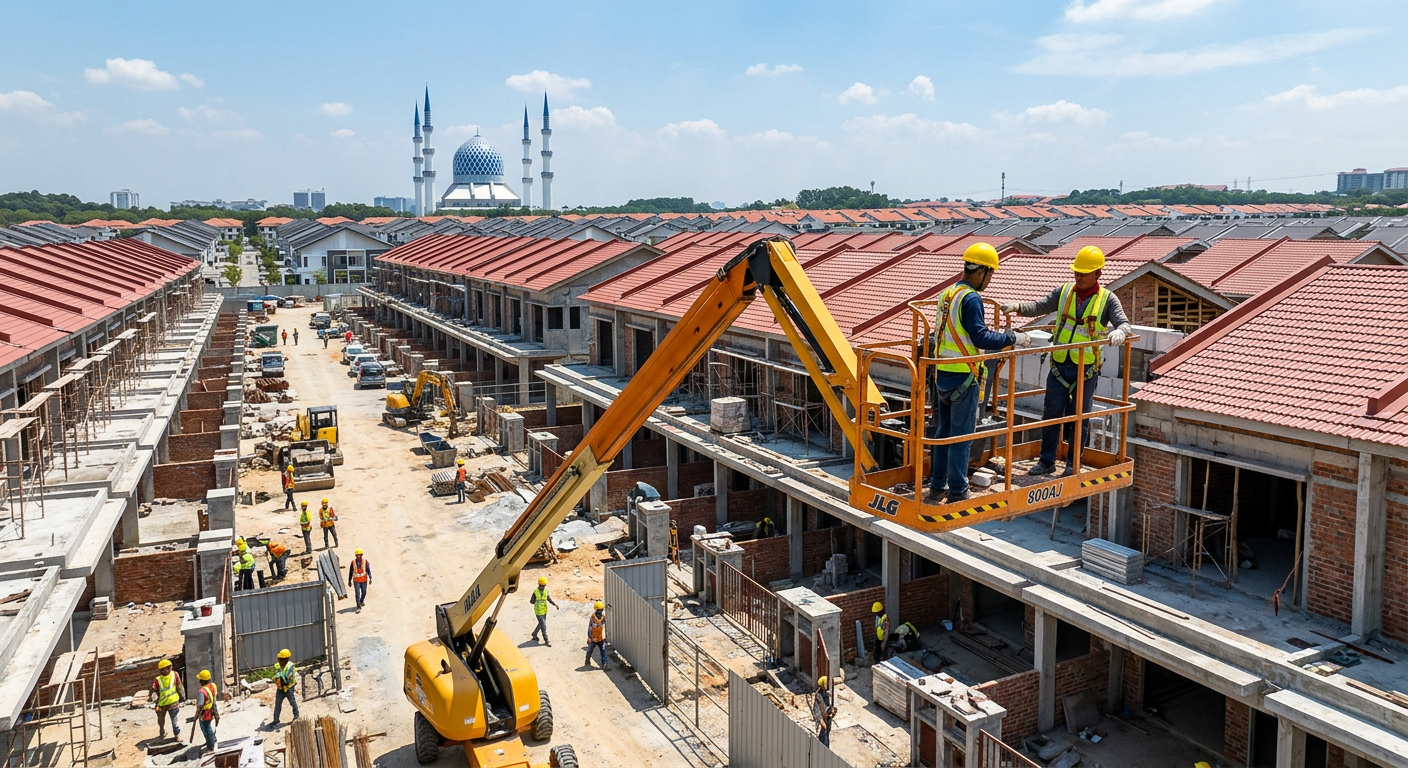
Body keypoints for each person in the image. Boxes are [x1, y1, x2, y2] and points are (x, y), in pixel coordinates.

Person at [1001, 245, 1132, 477]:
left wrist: (1120, 332)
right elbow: (1040, 306)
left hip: (1086, 370)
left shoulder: (1107, 300)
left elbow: (1123, 323)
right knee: (1051, 413)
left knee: (1079, 417)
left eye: (1083, 273)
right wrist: (1018, 308)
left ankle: (1073, 464)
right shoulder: (1064, 293)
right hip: (1060, 366)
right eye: (1076, 273)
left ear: (1097, 274)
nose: (1078, 277)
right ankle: (1047, 461)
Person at [926, 242, 1027, 504]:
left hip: (943, 376)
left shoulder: (947, 294)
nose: (990, 280)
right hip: (964, 376)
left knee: (942, 433)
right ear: (981, 271)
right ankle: (958, 491)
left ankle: (937, 487)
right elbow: (980, 337)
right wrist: (1011, 336)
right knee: (962, 437)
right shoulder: (971, 298)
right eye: (990, 274)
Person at [152, 658, 182, 740]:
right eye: (165, 669)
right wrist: (155, 699)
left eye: (169, 668)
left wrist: (183, 697)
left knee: (174, 721)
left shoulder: (175, 675)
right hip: (162, 704)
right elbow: (154, 691)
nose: (167, 670)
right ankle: (162, 731)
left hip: (173, 703)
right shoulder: (158, 680)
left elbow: (179, 687)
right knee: (161, 721)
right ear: (161, 670)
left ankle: (177, 735)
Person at [270, 649, 299, 726]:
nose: (279, 661)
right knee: (278, 704)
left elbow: (288, 679)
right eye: (279, 659)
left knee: (292, 702)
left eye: (280, 660)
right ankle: (276, 720)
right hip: (281, 689)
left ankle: (296, 716)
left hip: (288, 688)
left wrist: (283, 681)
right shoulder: (278, 666)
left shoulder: (290, 667)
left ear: (285, 660)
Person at [529, 576, 558, 646]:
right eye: (541, 586)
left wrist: (555, 604)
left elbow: (549, 599)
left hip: (544, 610)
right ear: (539, 585)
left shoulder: (546, 591)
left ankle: (534, 633)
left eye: (543, 586)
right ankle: (546, 641)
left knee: (541, 624)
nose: (542, 587)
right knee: (543, 626)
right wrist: (536, 600)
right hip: (538, 611)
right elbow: (531, 601)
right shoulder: (535, 592)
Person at [196, 668, 220, 753]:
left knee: (206, 729)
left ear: (201, 681)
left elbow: (199, 706)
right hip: (212, 710)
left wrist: (196, 715)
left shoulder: (201, 692)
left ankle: (210, 746)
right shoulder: (213, 685)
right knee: (209, 726)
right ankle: (213, 739)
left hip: (205, 713)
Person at [812, 676, 834, 747]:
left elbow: (828, 706)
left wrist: (832, 712)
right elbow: (816, 709)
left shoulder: (826, 694)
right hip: (823, 721)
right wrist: (821, 721)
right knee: (824, 740)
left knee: (826, 734)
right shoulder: (818, 696)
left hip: (827, 720)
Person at [585, 601, 608, 668]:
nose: (600, 612)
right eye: (598, 610)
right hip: (593, 637)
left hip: (600, 637)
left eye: (601, 610)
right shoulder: (593, 617)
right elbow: (590, 627)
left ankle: (604, 663)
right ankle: (587, 660)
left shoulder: (603, 618)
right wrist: (589, 637)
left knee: (603, 650)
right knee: (590, 650)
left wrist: (605, 636)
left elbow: (605, 627)